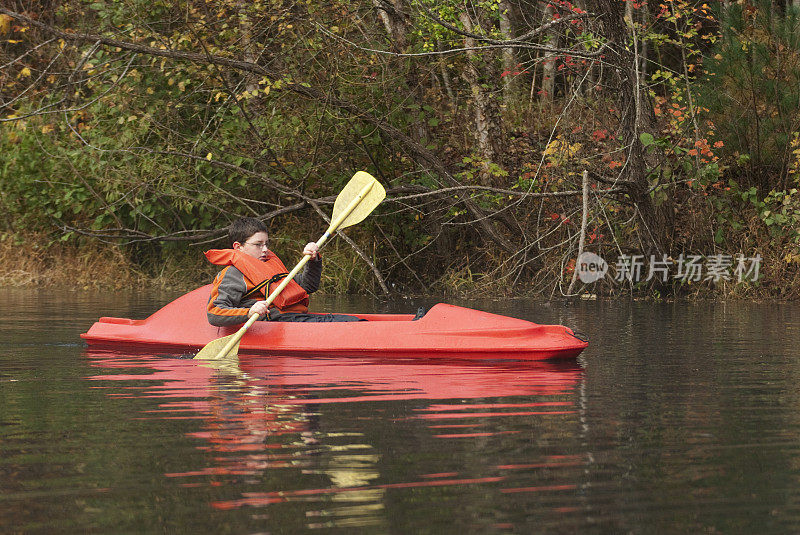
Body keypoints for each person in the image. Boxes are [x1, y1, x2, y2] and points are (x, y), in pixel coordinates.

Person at [206, 217, 363, 326]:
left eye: (267, 243)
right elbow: (215, 313)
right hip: (276, 323)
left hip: (297, 318)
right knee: (355, 323)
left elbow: (308, 285)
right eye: (258, 244)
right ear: (238, 247)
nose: (265, 249)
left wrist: (313, 260)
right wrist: (248, 312)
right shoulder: (232, 274)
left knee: (355, 320)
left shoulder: (270, 265)